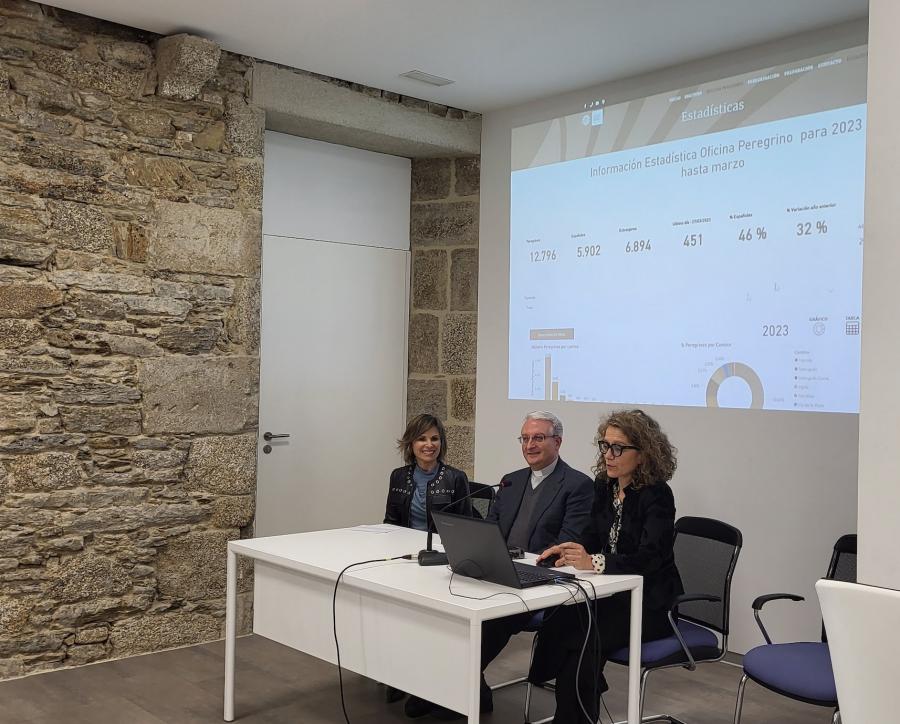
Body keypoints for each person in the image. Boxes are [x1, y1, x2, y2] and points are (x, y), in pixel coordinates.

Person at [531, 409, 683, 724]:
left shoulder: (657, 495)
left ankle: (572, 717)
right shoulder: (604, 485)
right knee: (560, 619)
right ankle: (574, 707)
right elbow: (591, 535)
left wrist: (596, 562)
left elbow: (651, 557)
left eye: (618, 448)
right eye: (605, 445)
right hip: (611, 594)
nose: (608, 455)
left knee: (585, 639)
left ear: (643, 454)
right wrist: (568, 550)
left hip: (650, 603)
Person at [474, 411, 594, 716]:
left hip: (540, 584)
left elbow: (567, 544)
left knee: (493, 617)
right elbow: (491, 529)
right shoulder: (511, 481)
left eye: (538, 438)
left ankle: (459, 682)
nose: (530, 445)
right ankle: (465, 683)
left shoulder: (577, 485)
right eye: (525, 438)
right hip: (499, 572)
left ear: (558, 442)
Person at [383, 414, 471, 715]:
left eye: (434, 438)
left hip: (440, 563)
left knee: (428, 622)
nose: (428, 445)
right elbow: (390, 522)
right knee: (395, 615)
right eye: (422, 439)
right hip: (405, 560)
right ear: (411, 443)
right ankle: (397, 674)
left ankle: (432, 683)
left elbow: (466, 527)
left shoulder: (455, 478)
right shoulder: (398, 477)